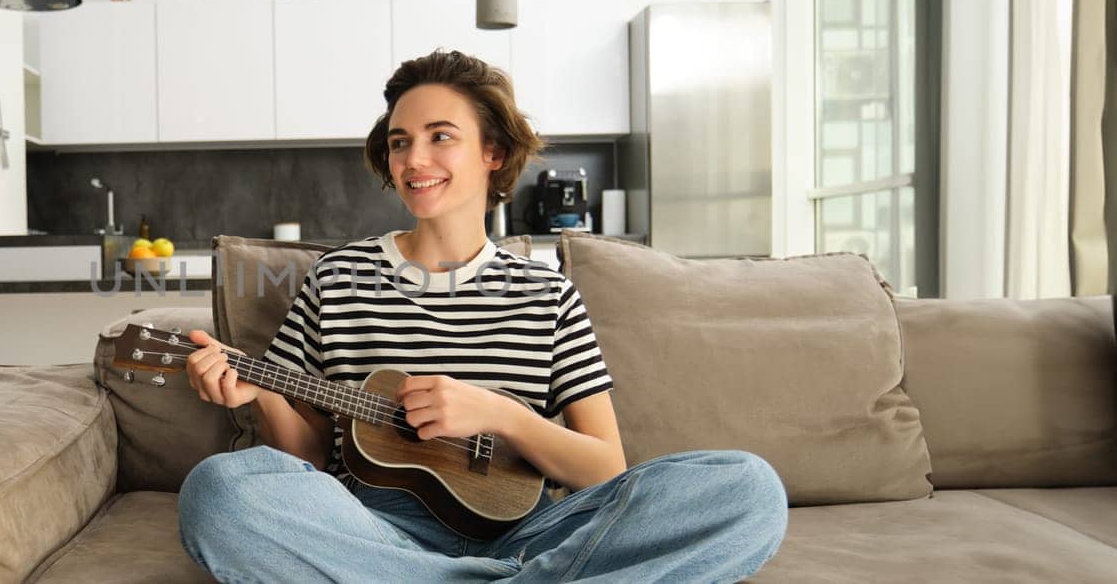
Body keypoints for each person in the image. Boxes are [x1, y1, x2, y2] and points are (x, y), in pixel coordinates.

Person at [176, 50, 787, 582]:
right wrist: (260, 392)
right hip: (372, 530)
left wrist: (503, 416)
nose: (414, 158)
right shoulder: (336, 279)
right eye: (399, 141)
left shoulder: (548, 294)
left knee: (748, 489)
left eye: (440, 136)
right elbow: (307, 458)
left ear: (493, 151)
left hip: (531, 535)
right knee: (221, 491)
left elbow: (605, 468)